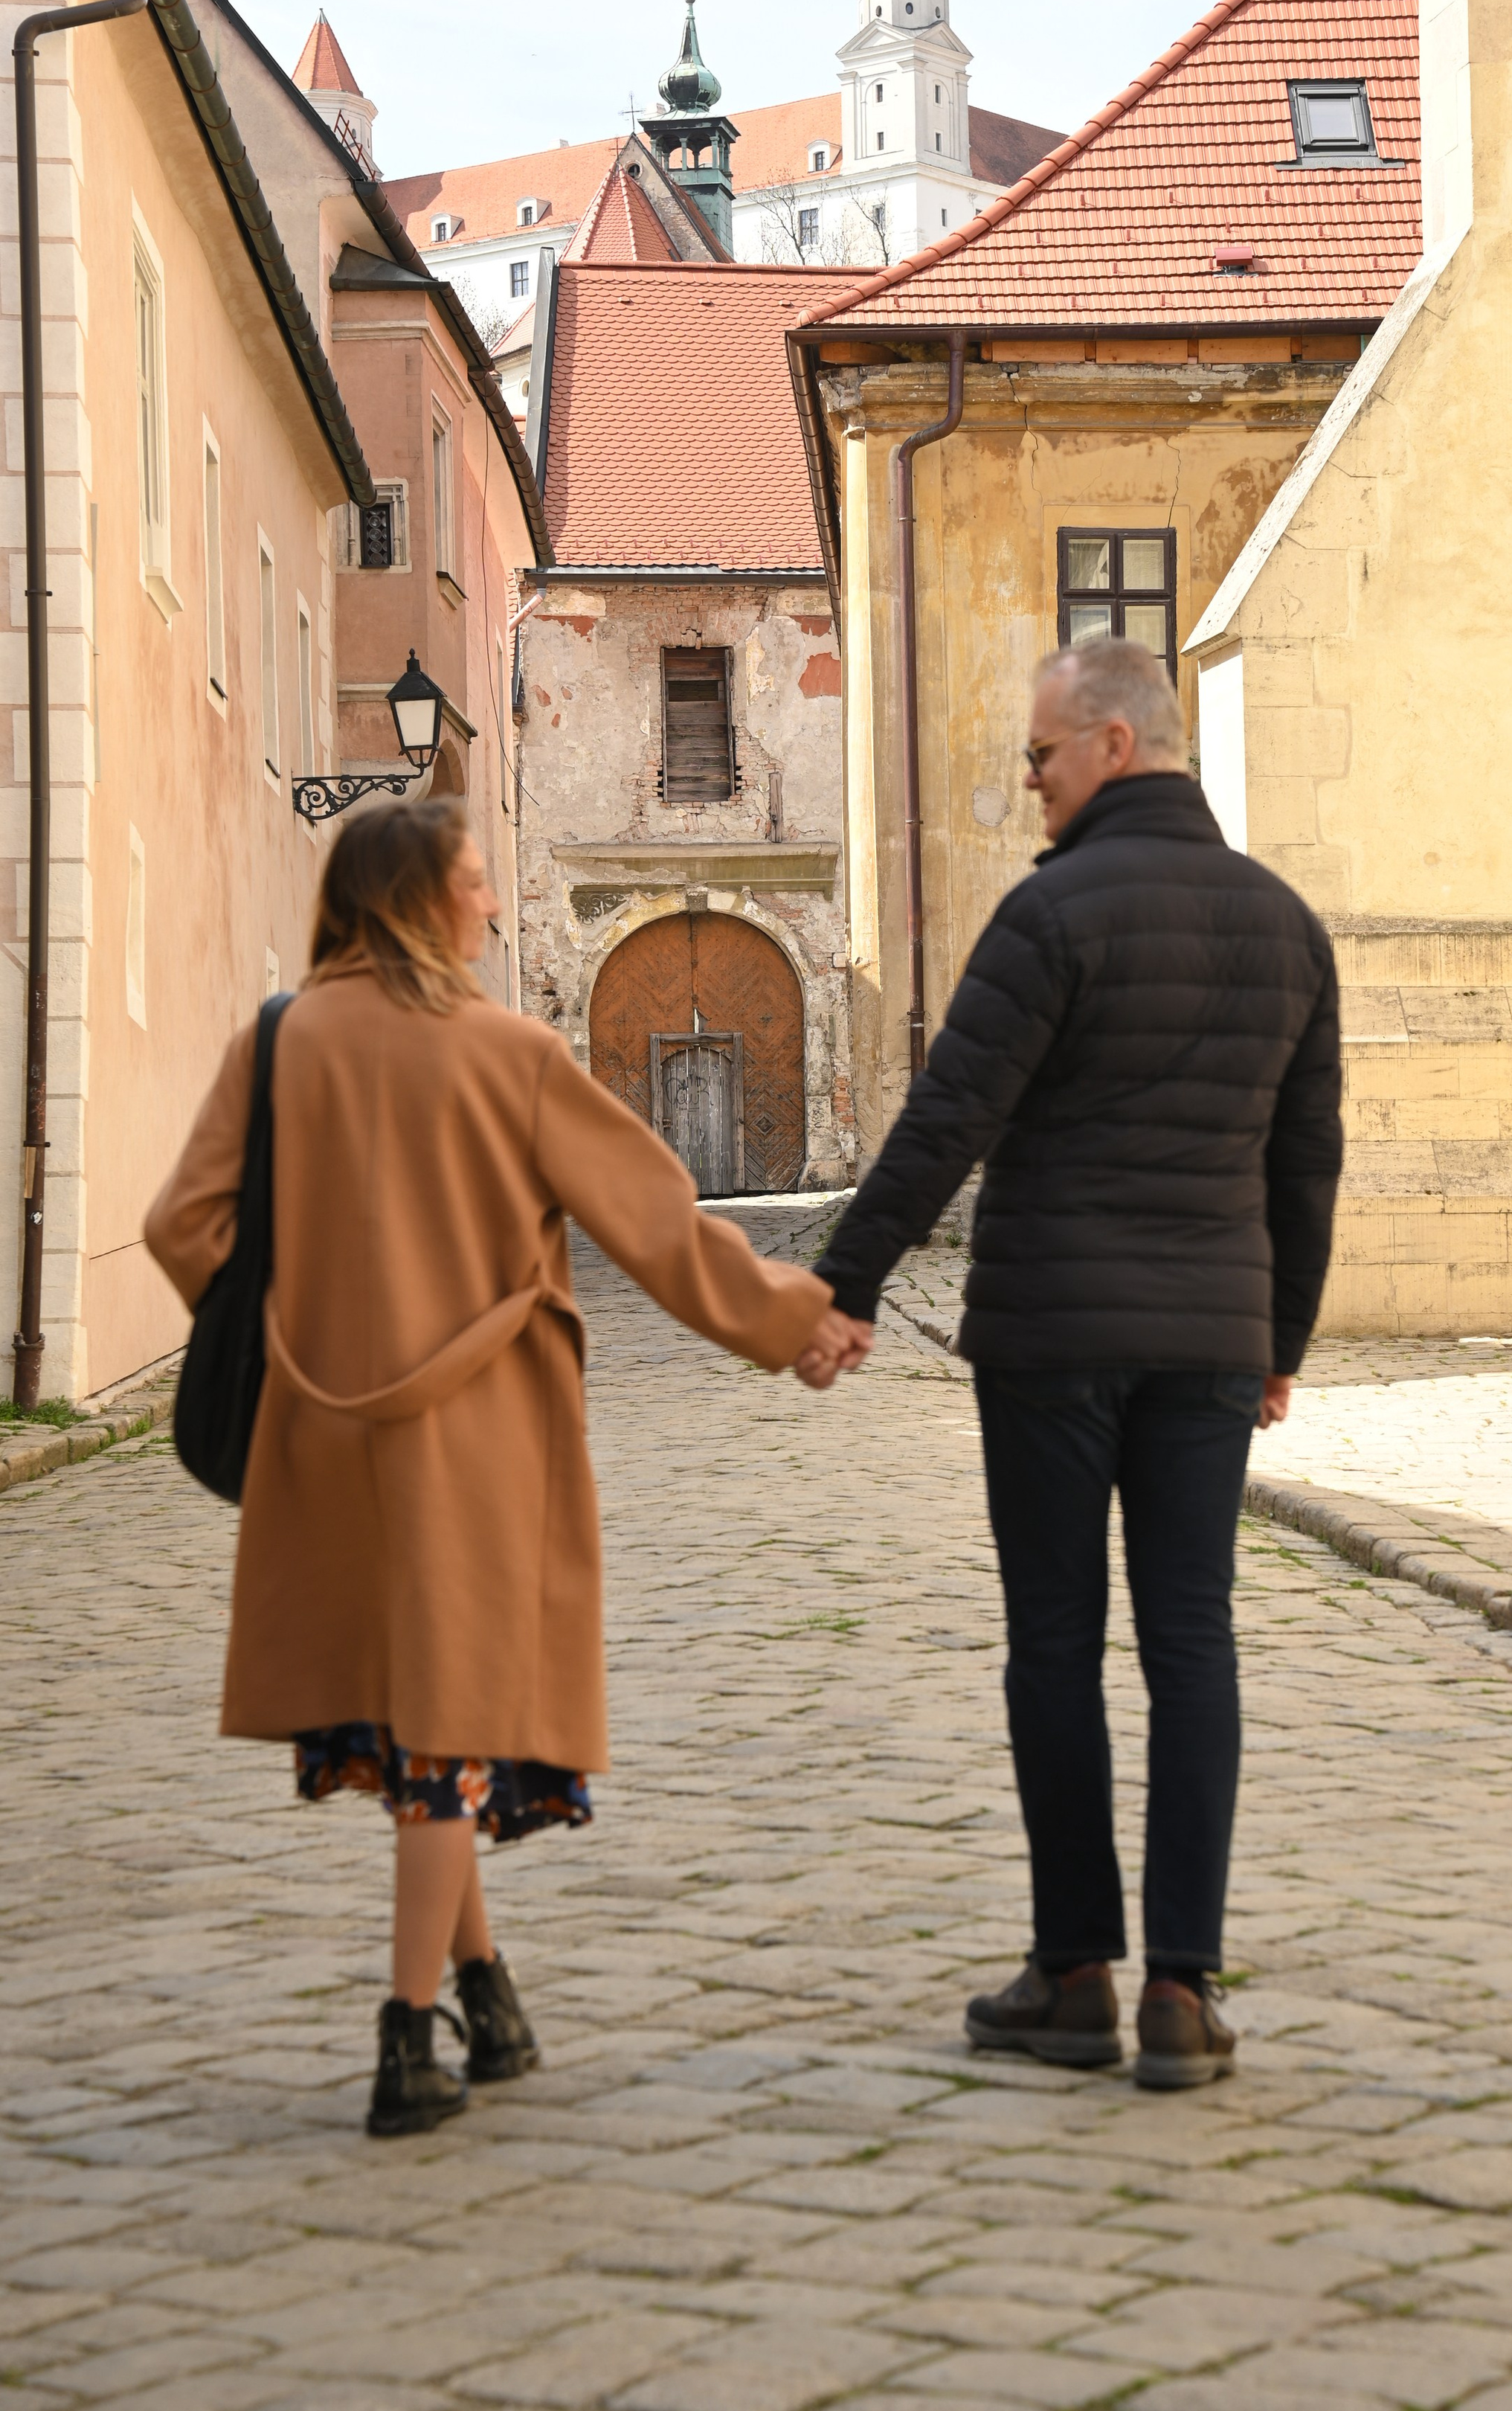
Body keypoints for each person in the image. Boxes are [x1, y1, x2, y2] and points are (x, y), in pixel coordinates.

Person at [146, 800, 863, 2137]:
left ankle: (485, 1986)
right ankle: (409, 2039)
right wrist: (788, 1322)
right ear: (421, 899)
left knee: (423, 1724)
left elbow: (182, 1225)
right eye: (473, 886)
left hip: (322, 1448)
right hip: (473, 1447)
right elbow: (660, 1231)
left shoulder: (278, 1043)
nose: (487, 905)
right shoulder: (509, 1054)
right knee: (448, 1730)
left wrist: (296, 1329)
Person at [806, 641, 1342, 2088]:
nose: (1028, 781)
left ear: (1111, 743)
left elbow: (947, 1116)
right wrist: (1277, 1340)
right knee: (1192, 1643)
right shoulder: (1283, 925)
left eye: (1040, 754)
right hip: (1208, 1343)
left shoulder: (1049, 916)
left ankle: (1072, 1971)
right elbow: (1306, 1165)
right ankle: (1180, 1986)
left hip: (1049, 1334)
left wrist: (845, 1279)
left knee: (1054, 1641)